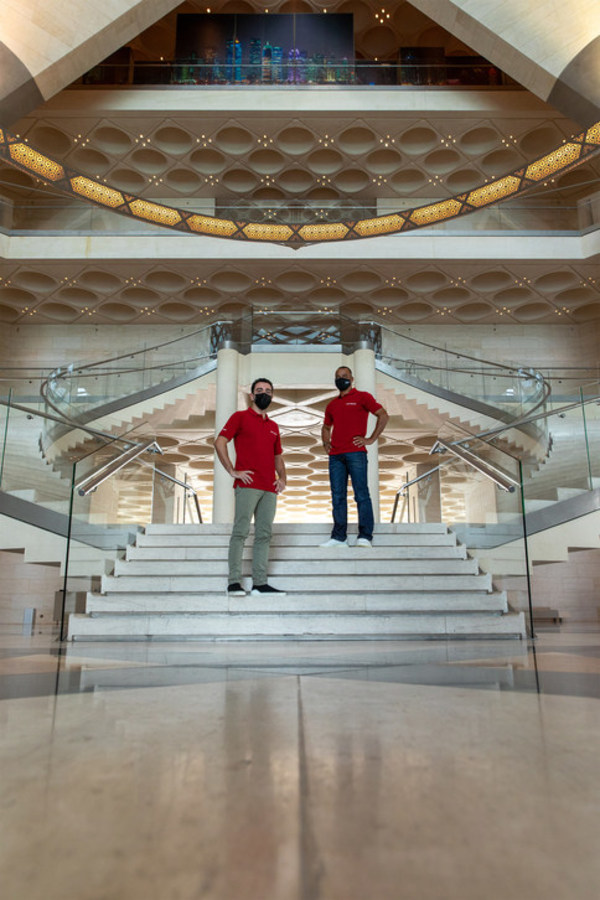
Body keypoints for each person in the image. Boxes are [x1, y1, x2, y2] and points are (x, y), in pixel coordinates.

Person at [215, 377, 287, 596]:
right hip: (248, 484)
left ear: (272, 396)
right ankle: (234, 582)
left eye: (268, 390)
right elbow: (219, 442)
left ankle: (259, 583)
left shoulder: (274, 426)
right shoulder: (240, 417)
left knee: (264, 534)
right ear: (252, 395)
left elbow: (278, 456)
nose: (264, 393)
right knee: (241, 532)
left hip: (269, 488)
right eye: (259, 390)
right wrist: (232, 471)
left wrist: (283, 478)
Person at [321, 365, 389, 548]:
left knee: (361, 494)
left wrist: (371, 439)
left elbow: (382, 415)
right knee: (338, 496)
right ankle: (338, 538)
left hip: (356, 453)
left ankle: (365, 536)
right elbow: (326, 427)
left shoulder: (363, 397)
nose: (340, 378)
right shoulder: (332, 404)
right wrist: (325, 442)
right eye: (337, 376)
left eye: (344, 376)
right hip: (335, 456)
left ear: (352, 379)